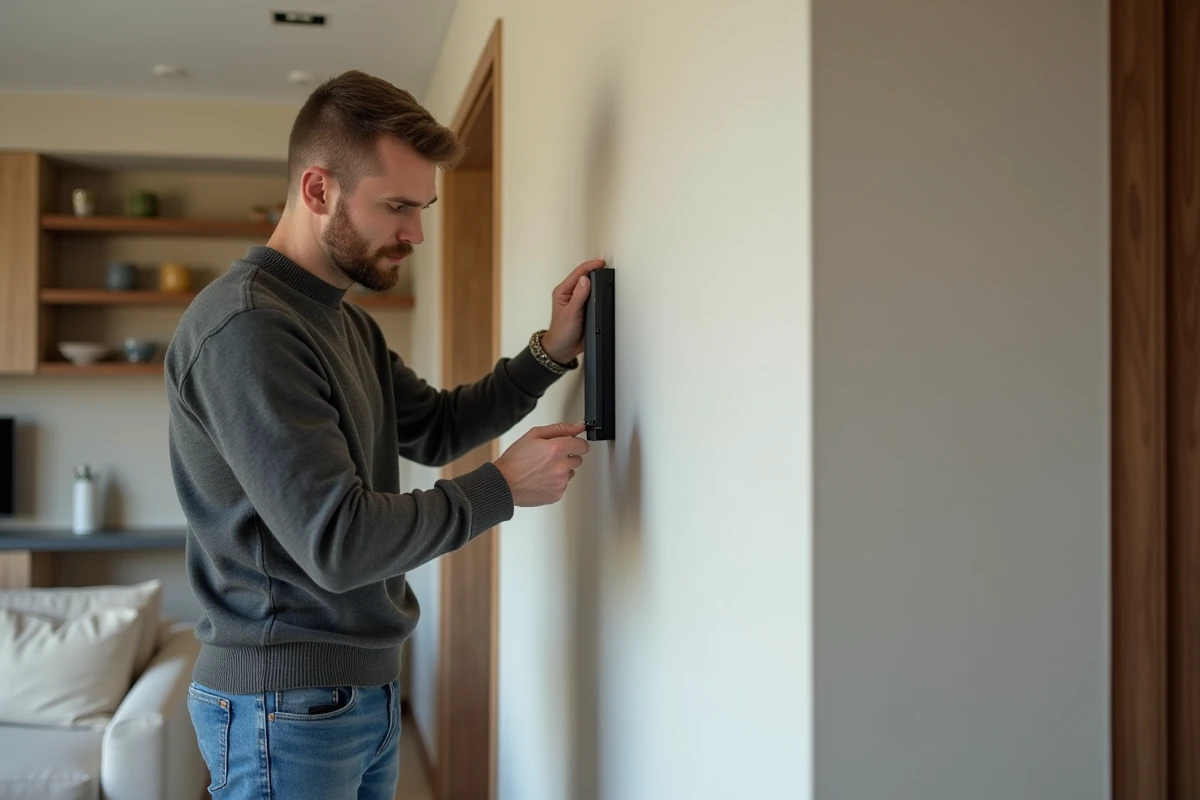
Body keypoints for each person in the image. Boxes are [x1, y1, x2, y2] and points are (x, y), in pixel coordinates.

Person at [164, 70, 602, 800]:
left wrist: (548, 354)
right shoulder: (249, 329)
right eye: (397, 206)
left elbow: (435, 428)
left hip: (350, 693)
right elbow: (340, 543)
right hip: (288, 706)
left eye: (422, 208)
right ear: (317, 191)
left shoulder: (340, 320)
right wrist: (502, 487)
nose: (416, 234)